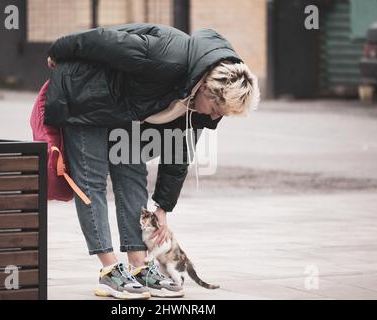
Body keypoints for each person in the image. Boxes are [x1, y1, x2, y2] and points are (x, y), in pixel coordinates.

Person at [45, 23, 260, 299]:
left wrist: (162, 207)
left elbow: (179, 148)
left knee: (133, 173)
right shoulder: (165, 57)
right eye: (219, 110)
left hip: (120, 111)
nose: (217, 118)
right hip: (82, 91)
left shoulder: (197, 100)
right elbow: (101, 40)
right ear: (207, 89)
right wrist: (58, 50)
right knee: (92, 180)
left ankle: (139, 266)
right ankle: (109, 271)